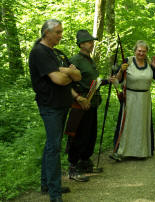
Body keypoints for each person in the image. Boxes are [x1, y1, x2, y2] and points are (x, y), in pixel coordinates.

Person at [29, 19, 81, 202]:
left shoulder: (56, 52)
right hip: (50, 106)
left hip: (61, 104)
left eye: (61, 31)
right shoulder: (39, 52)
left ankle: (47, 184)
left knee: (52, 144)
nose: (61, 35)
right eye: (58, 32)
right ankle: (54, 193)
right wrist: (68, 74)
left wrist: (64, 71)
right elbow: (60, 80)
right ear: (46, 33)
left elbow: (78, 75)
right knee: (54, 147)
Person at [66, 29, 107, 182]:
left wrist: (107, 80)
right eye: (89, 42)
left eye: (92, 41)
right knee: (78, 135)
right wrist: (78, 98)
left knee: (90, 134)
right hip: (81, 103)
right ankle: (72, 167)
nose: (92, 44)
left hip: (92, 102)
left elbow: (92, 81)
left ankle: (85, 162)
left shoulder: (89, 59)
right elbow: (66, 83)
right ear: (81, 44)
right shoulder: (74, 60)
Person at [110, 40, 155, 161]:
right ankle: (122, 151)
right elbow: (116, 80)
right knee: (128, 124)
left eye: (144, 51)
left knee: (141, 125)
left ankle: (141, 152)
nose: (141, 53)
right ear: (135, 51)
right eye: (139, 51)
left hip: (144, 99)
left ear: (146, 52)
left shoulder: (149, 63)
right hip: (130, 98)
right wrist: (121, 70)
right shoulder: (127, 61)